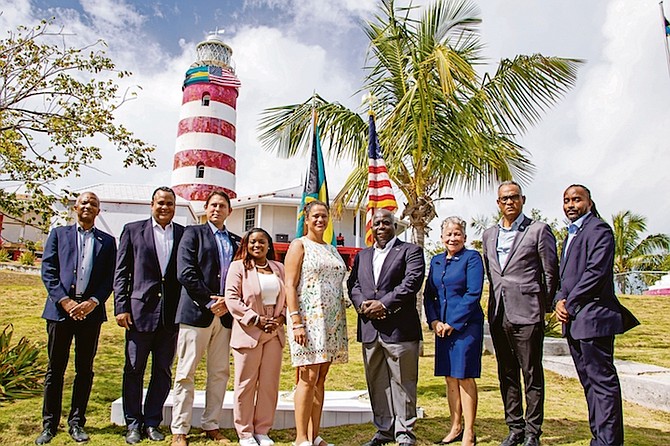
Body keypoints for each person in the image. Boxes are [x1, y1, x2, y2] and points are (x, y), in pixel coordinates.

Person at [554, 184, 639, 446]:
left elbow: (595, 272)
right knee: (589, 385)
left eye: (576, 200)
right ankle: (598, 438)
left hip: (595, 319)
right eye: (566, 200)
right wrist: (559, 300)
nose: (570, 205)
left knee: (602, 385)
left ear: (589, 203)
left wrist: (570, 302)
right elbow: (564, 278)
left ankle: (609, 442)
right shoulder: (570, 235)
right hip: (575, 321)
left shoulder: (599, 230)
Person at [36, 192, 117, 445]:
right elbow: (48, 270)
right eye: (84, 202)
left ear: (98, 211)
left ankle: (77, 422)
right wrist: (65, 301)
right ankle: (49, 425)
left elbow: (109, 278)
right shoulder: (59, 235)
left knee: (84, 370)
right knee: (55, 370)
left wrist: (92, 302)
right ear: (75, 207)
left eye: (94, 203)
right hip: (60, 313)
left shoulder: (107, 241)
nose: (88, 206)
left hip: (90, 315)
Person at [481, 181, 558, 446]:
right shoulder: (489, 234)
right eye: (504, 198)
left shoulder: (538, 230)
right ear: (498, 203)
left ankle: (533, 432)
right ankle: (514, 427)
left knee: (532, 374)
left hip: (528, 313)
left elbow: (549, 272)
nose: (509, 202)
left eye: (514, 197)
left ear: (522, 199)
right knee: (507, 373)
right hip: (499, 313)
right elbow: (492, 273)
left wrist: (544, 307)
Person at [347, 208, 425, 446]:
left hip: (400, 329)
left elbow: (411, 282)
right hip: (370, 329)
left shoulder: (411, 251)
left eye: (386, 223)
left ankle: (404, 433)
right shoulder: (363, 255)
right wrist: (362, 305)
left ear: (395, 226)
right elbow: (354, 285)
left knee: (403, 382)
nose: (381, 227)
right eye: (377, 223)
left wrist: (384, 304)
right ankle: (384, 431)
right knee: (377, 382)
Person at [113, 186, 184, 444]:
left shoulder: (183, 234)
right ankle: (133, 423)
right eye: (161, 203)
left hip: (169, 316)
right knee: (134, 368)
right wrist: (121, 307)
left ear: (175, 207)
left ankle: (152, 421)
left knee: (163, 370)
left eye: (170, 204)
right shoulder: (133, 231)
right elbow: (121, 272)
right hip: (138, 312)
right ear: (152, 204)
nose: (165, 208)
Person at [170, 190, 240, 446]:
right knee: (186, 373)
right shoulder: (193, 234)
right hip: (196, 313)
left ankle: (211, 424)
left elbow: (240, 278)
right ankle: (180, 429)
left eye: (222, 206)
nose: (217, 209)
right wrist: (211, 301)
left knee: (219, 372)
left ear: (229, 211)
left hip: (225, 317)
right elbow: (185, 273)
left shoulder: (236, 241)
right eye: (213, 205)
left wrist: (227, 303)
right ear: (206, 208)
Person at [285, 200, 348, 446]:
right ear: (307, 219)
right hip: (308, 322)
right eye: (316, 216)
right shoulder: (299, 245)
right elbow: (290, 284)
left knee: (321, 378)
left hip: (332, 323)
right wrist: (296, 321)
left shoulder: (332, 249)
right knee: (307, 377)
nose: (320, 220)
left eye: (324, 216)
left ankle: (314, 435)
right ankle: (301, 437)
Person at [224, 228, 286, 446]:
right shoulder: (238, 267)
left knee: (269, 384)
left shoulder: (279, 268)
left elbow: (289, 296)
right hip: (249, 331)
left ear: (269, 245)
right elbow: (231, 298)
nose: (257, 245)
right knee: (246, 384)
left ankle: (262, 430)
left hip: (274, 333)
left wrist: (281, 318)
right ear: (246, 245)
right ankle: (245, 432)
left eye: (262, 242)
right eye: (252, 242)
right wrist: (255, 319)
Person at [424, 217, 483, 446]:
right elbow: (430, 295)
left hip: (466, 327)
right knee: (450, 378)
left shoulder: (472, 258)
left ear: (464, 237)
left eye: (457, 234)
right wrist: (434, 321)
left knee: (464, 377)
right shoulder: (436, 261)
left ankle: (469, 431)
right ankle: (455, 426)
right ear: (441, 238)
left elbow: (473, 293)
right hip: (442, 329)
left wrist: (453, 322)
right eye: (448, 234)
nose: (452, 238)